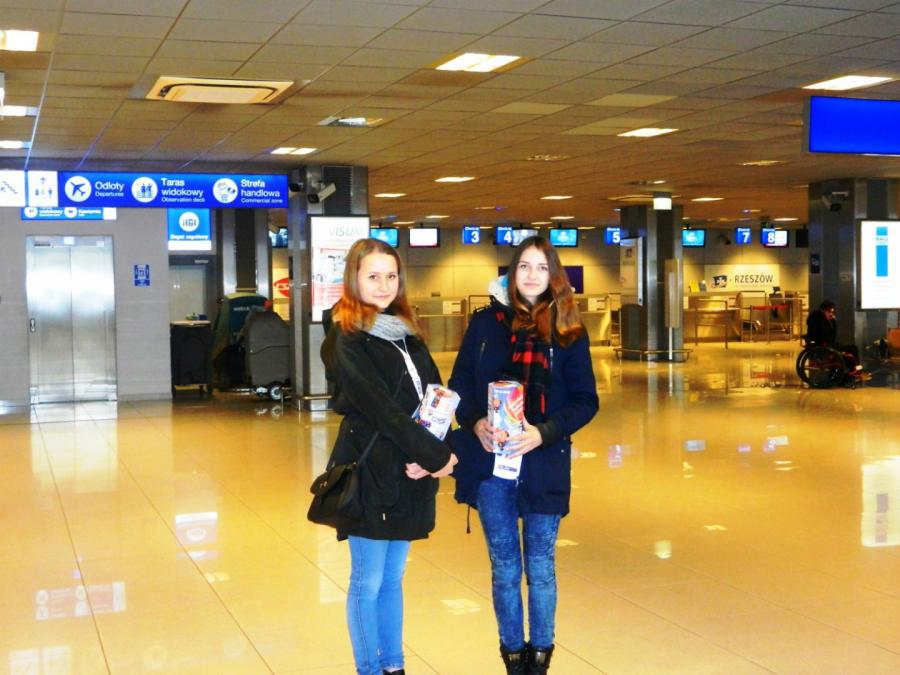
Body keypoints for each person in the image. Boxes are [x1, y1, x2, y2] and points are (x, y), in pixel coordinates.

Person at [448, 236, 599, 674]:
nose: (532, 275)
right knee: (505, 566)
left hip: (543, 461)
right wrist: (475, 421)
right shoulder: (486, 324)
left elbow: (586, 401)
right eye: (524, 266)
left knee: (541, 565)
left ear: (554, 276)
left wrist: (543, 433)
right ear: (512, 273)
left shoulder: (569, 329)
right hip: (491, 465)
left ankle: (541, 654)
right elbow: (460, 384)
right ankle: (513, 654)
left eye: (541, 267)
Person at [321, 238, 458, 675]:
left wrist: (434, 452)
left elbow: (435, 396)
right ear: (354, 280)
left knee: (393, 578)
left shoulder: (405, 333)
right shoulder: (345, 338)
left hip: (409, 471)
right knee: (368, 580)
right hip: (370, 471)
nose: (383, 285)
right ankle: (369, 668)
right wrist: (435, 456)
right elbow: (381, 409)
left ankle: (393, 664)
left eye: (391, 276)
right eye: (373, 276)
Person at [806, 299, 862, 370]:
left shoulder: (815, 317)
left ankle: (852, 369)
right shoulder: (820, 320)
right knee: (853, 348)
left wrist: (831, 321)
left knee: (848, 350)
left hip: (821, 344)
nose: (831, 314)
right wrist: (833, 322)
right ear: (824, 310)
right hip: (824, 345)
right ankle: (855, 369)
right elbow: (830, 337)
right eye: (830, 312)